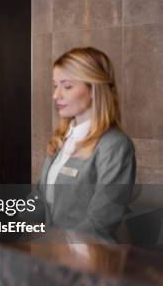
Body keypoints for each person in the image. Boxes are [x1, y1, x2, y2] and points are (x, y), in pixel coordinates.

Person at [35, 46, 135, 241]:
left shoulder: (115, 146)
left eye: (67, 86)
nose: (57, 95)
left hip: (88, 262)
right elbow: (40, 198)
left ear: (94, 90)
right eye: (55, 86)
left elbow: (100, 223)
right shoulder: (62, 138)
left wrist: (51, 247)